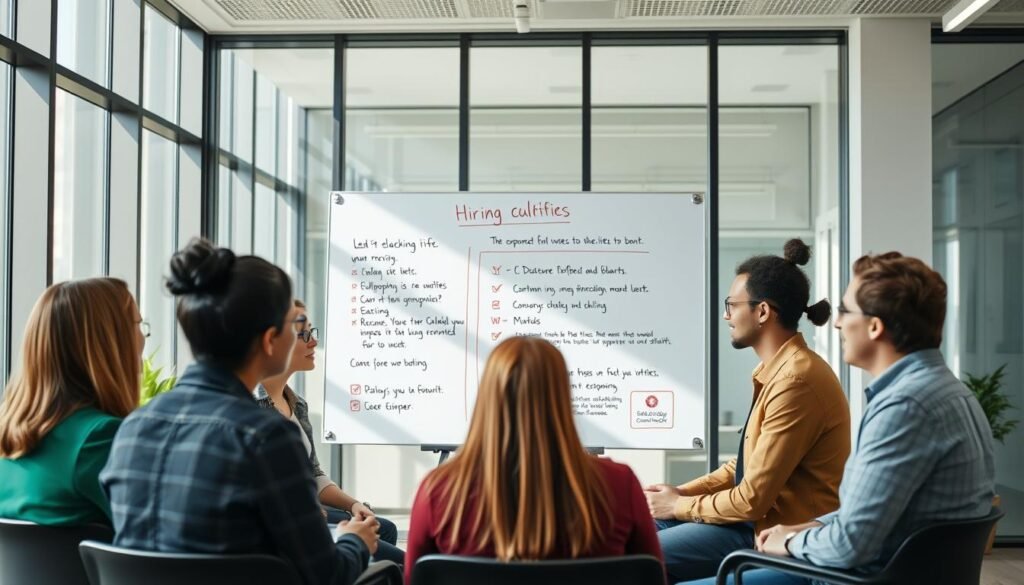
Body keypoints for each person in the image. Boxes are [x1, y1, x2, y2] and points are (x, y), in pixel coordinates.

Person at [685, 252, 997, 585]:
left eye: (846, 311)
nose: (836, 323)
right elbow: (874, 514)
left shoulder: (903, 408)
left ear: (874, 327)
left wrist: (789, 542)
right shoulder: (950, 392)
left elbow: (850, 546)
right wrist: (814, 526)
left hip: (850, 577)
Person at [101, 238, 380, 585]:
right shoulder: (266, 437)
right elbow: (328, 576)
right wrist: (355, 541)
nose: (303, 336)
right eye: (292, 325)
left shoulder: (133, 427)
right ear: (269, 340)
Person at [645, 239, 850, 582]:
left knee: (639, 557)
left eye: (731, 305)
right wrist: (681, 493)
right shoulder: (778, 371)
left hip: (771, 536)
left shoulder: (796, 381)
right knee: (633, 533)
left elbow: (752, 499)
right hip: (752, 523)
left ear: (763, 311)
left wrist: (678, 506)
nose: (726, 315)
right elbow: (742, 468)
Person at [404, 336, 664, 583]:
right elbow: (653, 578)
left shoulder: (438, 490)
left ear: (488, 399)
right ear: (561, 398)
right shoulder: (619, 484)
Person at [255, 299, 404, 565]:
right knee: (399, 560)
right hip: (291, 522)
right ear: (272, 342)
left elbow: (313, 473)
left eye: (312, 333)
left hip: (309, 513)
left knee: (385, 527)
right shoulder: (252, 409)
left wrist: (353, 504)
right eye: (304, 335)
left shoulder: (297, 405)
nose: (314, 342)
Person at [0, 278, 144, 526]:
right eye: (138, 325)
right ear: (109, 343)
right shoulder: (100, 438)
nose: (143, 338)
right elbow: (154, 532)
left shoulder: (8, 435)